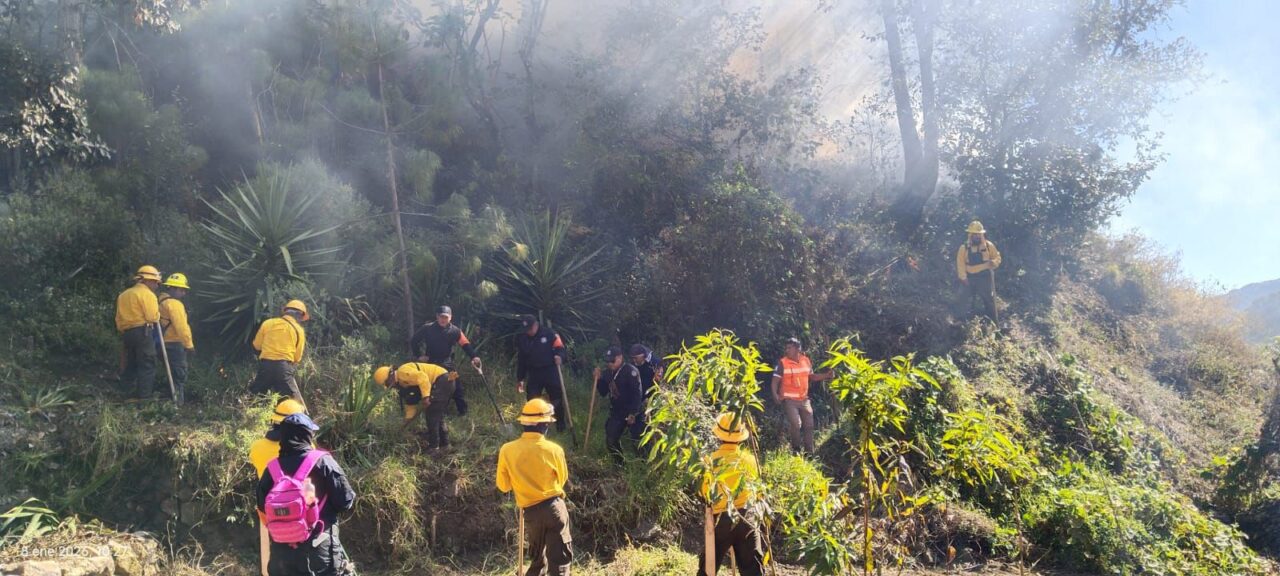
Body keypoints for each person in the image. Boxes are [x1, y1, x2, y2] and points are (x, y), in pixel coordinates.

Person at [256, 412, 356, 576]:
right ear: (307, 435)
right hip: (319, 554)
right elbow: (344, 501)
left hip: (281, 557)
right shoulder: (323, 461)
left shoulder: (271, 469)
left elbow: (262, 508)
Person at [497, 399, 573, 576]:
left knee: (538, 560)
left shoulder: (507, 450)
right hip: (554, 508)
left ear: (523, 423)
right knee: (559, 562)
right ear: (545, 424)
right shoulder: (554, 450)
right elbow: (562, 479)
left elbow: (503, 486)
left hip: (530, 512)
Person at [698, 413, 765, 576]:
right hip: (746, 518)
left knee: (708, 568)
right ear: (741, 436)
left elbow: (704, 492)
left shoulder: (710, 461)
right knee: (753, 570)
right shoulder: (750, 460)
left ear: (718, 435)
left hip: (720, 521)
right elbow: (757, 490)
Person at [248, 399, 308, 576]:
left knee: (272, 552)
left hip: (268, 505)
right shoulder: (306, 448)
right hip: (299, 507)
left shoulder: (257, 447)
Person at [409, 305, 482, 415]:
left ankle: (463, 413)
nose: (443, 319)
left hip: (447, 364)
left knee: (456, 387)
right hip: (430, 364)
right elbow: (414, 341)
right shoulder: (427, 328)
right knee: (425, 387)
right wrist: (419, 356)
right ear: (437, 317)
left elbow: (465, 344)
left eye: (445, 317)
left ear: (450, 317)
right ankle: (417, 410)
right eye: (441, 316)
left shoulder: (455, 331)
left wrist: (474, 357)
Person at [770, 338, 832, 454]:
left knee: (809, 425)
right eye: (786, 348)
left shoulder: (806, 361)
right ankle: (796, 450)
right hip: (789, 400)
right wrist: (775, 394)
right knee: (796, 423)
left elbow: (812, 377)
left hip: (804, 399)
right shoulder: (783, 363)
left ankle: (809, 452)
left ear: (798, 349)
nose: (786, 350)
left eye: (789, 348)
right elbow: (775, 381)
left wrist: (826, 376)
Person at [373, 362, 455, 449]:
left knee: (432, 415)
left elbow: (422, 377)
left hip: (443, 379)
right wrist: (407, 420)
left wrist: (426, 397)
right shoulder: (402, 383)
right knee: (437, 414)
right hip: (446, 380)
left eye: (387, 384)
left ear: (390, 376)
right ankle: (445, 444)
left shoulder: (402, 372)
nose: (389, 386)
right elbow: (410, 402)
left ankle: (434, 448)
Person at [515, 315, 569, 434]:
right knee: (532, 400)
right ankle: (534, 425)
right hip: (534, 373)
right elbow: (521, 360)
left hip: (550, 371)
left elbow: (561, 348)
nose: (528, 332)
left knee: (556, 398)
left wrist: (560, 357)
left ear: (536, 325)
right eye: (526, 330)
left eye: (530, 329)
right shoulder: (523, 338)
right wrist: (520, 378)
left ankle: (560, 423)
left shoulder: (550, 334)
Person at [115, 265, 162, 399]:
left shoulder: (124, 295)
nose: (156, 285)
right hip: (143, 332)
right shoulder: (147, 295)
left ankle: (124, 393)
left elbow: (118, 318)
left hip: (127, 334)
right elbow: (152, 317)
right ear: (145, 280)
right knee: (147, 364)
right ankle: (145, 399)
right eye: (155, 282)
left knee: (131, 363)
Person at [251, 300, 309, 403]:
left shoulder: (268, 323)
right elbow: (297, 358)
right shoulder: (299, 330)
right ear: (299, 316)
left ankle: (253, 417)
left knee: (257, 398)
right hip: (284, 368)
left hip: (265, 366)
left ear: (285, 312)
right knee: (288, 402)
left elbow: (256, 345)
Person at [594, 347, 644, 465]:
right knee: (611, 440)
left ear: (620, 358)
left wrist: (633, 413)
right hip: (617, 412)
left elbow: (637, 394)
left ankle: (643, 467)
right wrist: (599, 379)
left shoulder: (630, 371)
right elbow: (603, 392)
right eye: (608, 361)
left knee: (638, 442)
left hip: (634, 411)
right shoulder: (608, 373)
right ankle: (620, 464)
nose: (610, 363)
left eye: (612, 360)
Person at [955, 220, 1002, 322]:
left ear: (982, 234)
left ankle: (993, 321)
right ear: (970, 235)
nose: (977, 236)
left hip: (984, 278)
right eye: (974, 234)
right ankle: (959, 321)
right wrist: (963, 277)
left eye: (979, 234)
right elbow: (960, 264)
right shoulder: (964, 247)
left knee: (989, 300)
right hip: (969, 278)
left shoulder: (989, 246)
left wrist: (994, 262)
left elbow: (997, 257)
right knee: (962, 298)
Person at [158, 273, 195, 404]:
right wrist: (189, 345)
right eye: (181, 290)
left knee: (170, 374)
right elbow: (181, 327)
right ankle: (178, 404)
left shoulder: (160, 301)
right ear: (172, 288)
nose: (184, 293)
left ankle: (169, 401)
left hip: (161, 343)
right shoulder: (174, 304)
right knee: (179, 375)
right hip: (174, 343)